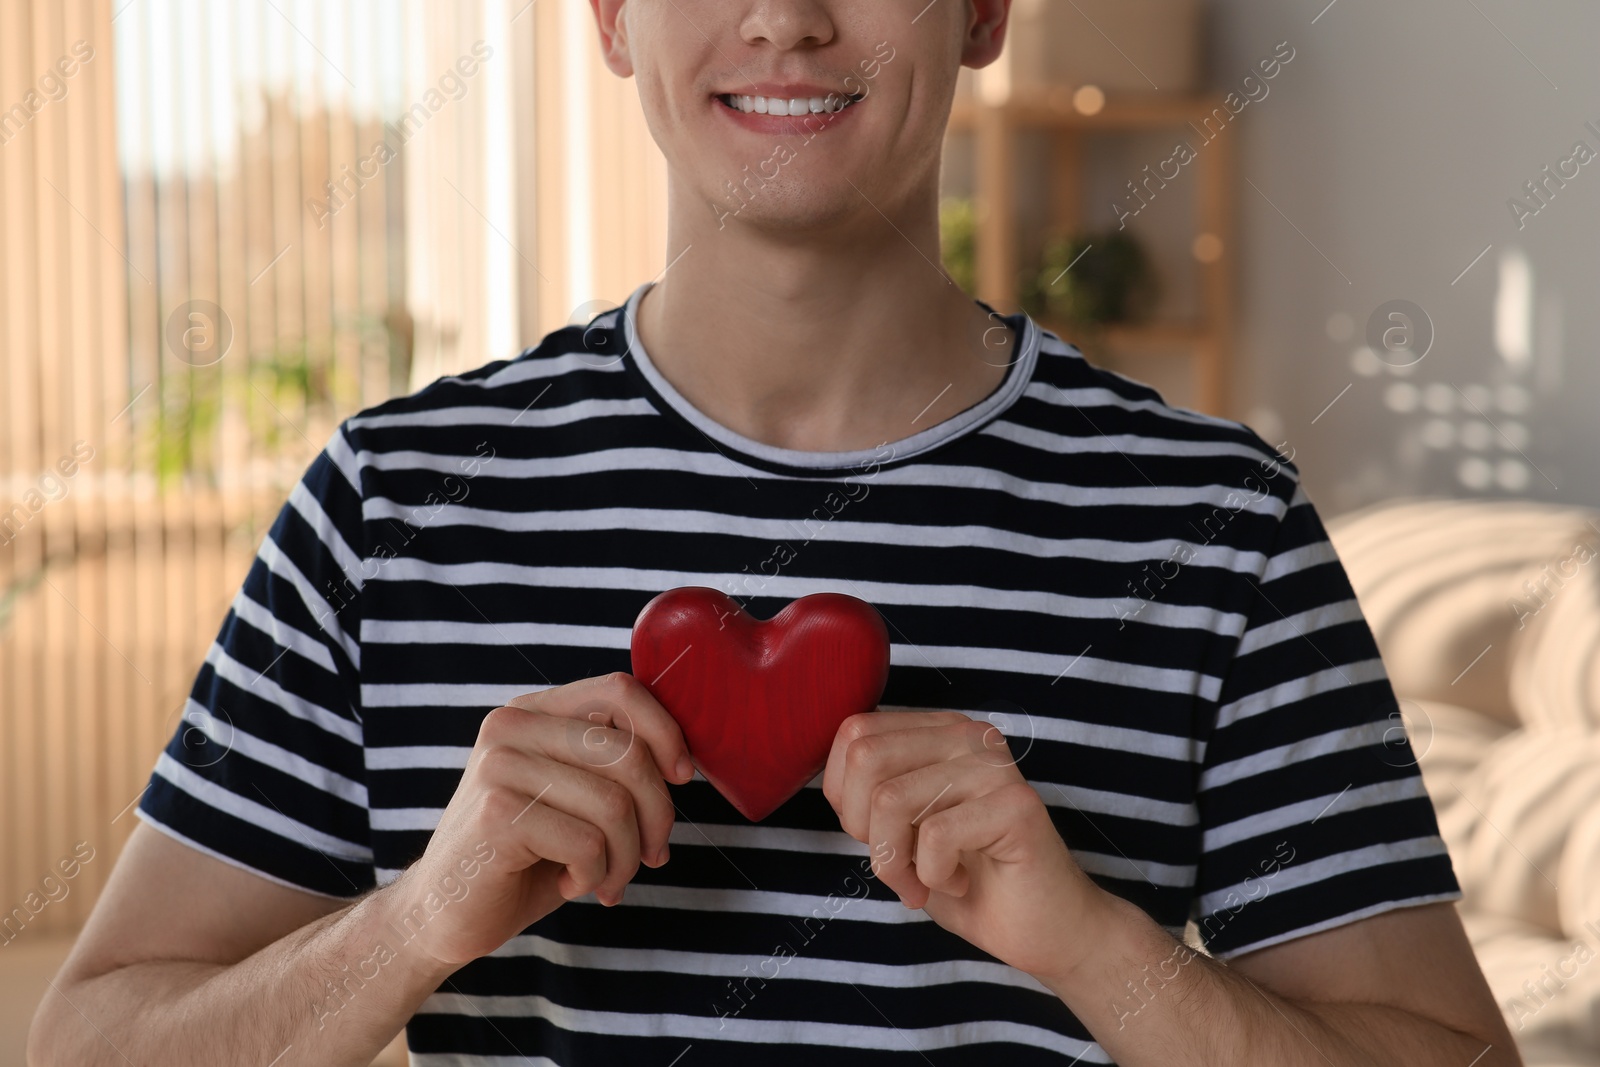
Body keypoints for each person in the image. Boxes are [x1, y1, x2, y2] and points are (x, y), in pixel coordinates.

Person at [29, 1, 1520, 1064]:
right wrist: (413, 924)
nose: (785, 18)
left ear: (984, 10)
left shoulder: (1218, 529)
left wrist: (1101, 948)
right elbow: (94, 1044)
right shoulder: (390, 504)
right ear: (610, 15)